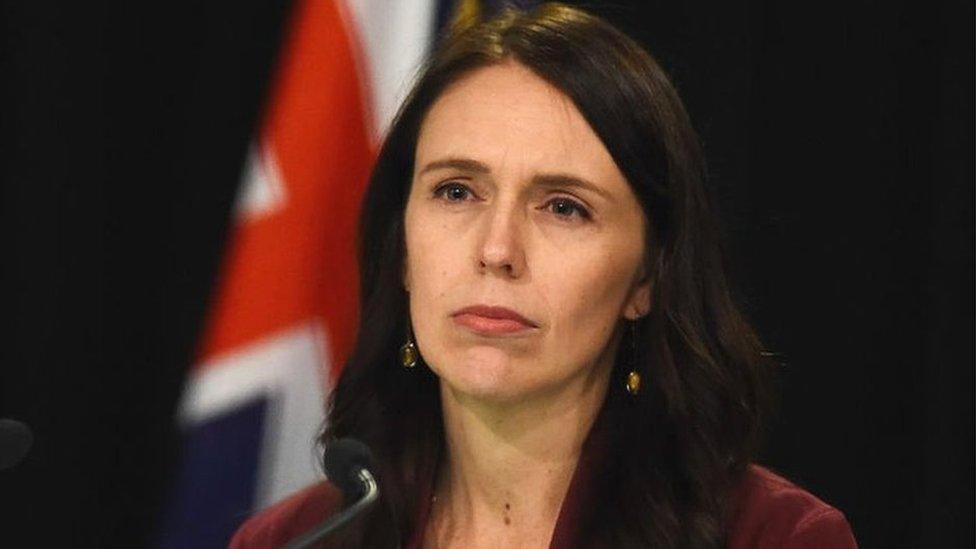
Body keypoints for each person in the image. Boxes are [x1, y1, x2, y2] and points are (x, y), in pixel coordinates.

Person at [231, 3, 858, 548]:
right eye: (456, 192)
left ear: (647, 279)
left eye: (564, 207)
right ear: (401, 249)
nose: (497, 250)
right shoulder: (293, 541)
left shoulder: (773, 538)